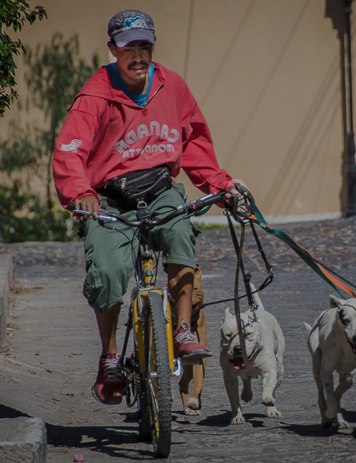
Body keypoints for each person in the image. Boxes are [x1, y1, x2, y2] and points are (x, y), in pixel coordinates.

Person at [52, 9, 239, 405]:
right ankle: (109, 356)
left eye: (144, 46)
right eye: (128, 48)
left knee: (180, 234)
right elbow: (70, 151)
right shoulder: (95, 95)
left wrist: (221, 185)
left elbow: (194, 143)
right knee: (108, 271)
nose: (138, 56)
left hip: (159, 189)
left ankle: (184, 330)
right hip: (109, 197)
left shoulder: (172, 87)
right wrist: (80, 192)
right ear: (112, 50)